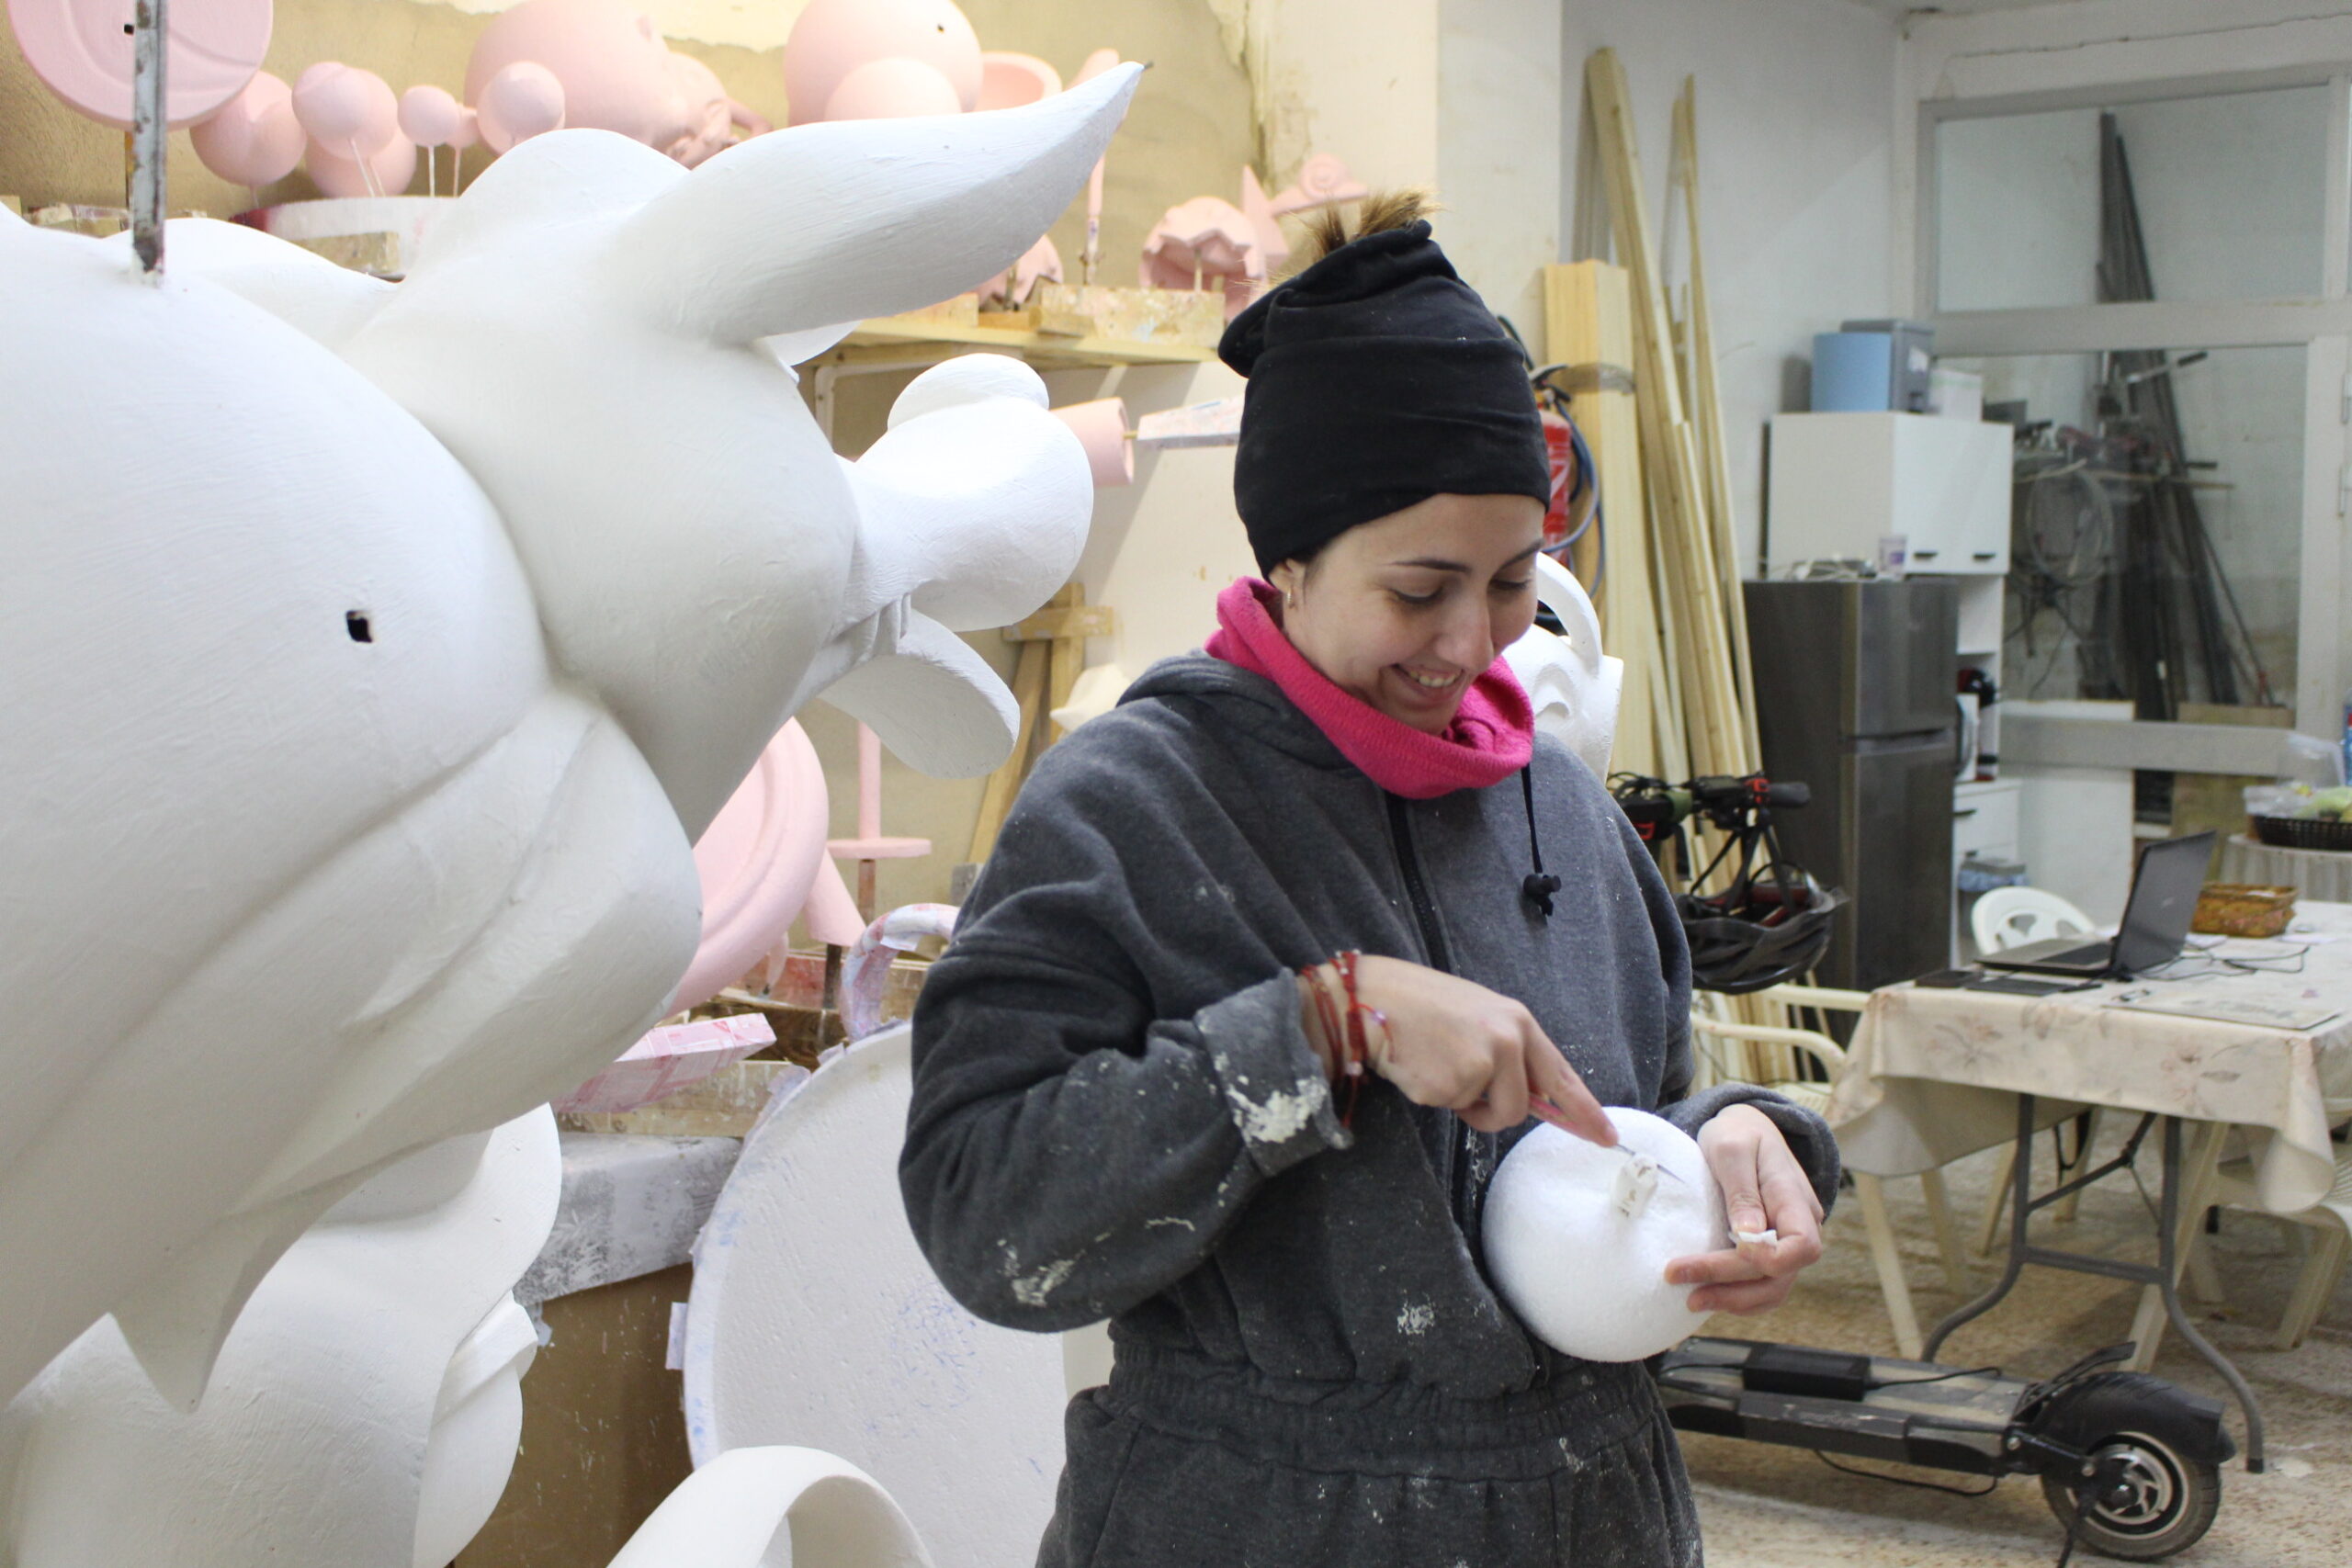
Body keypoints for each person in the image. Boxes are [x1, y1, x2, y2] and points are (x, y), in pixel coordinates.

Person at [899, 196, 1837, 1568]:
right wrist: (1322, 1028)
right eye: (1418, 588)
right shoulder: (1133, 809)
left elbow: (1623, 1120)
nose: (1472, 640)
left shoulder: (1562, 810)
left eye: (1513, 580)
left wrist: (1737, 1146)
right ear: (1287, 560)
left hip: (1592, 1512)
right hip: (1261, 1522)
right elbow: (984, 1217)